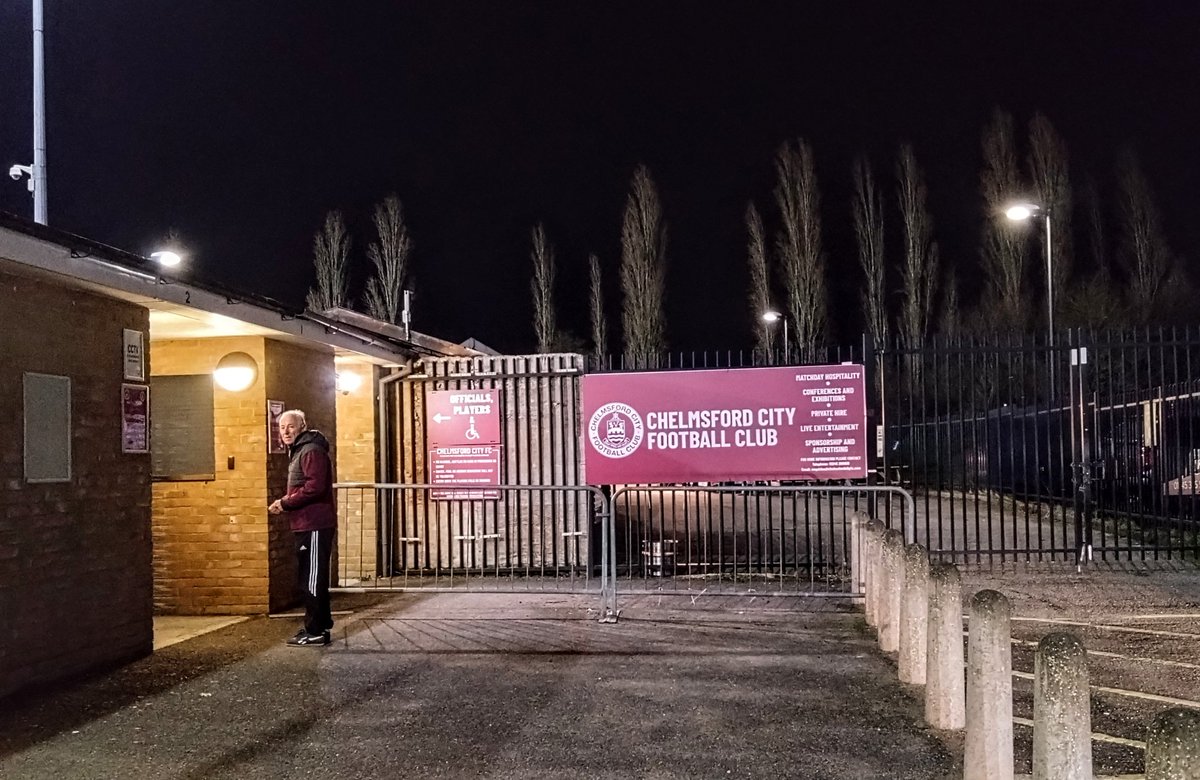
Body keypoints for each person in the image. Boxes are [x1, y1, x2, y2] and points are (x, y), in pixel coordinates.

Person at [268, 409, 336, 647]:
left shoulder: (310, 451)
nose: (286, 431)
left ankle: (315, 631)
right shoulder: (301, 450)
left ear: (302, 426)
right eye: (282, 427)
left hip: (314, 523)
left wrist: (285, 503)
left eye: (290, 426)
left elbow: (314, 487)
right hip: (306, 523)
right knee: (310, 576)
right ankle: (319, 624)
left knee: (312, 578)